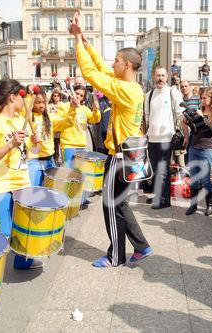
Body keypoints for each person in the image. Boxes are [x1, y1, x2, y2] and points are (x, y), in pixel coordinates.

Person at [70, 12, 152, 267]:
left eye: (117, 60)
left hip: (121, 157)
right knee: (120, 204)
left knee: (110, 206)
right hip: (131, 156)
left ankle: (115, 256)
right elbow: (103, 69)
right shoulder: (131, 86)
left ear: (127, 65)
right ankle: (142, 246)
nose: (113, 63)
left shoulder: (124, 89)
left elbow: (91, 73)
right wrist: (84, 39)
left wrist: (75, 40)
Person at [0, 79, 50, 270]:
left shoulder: (23, 121)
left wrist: (36, 143)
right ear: (13, 97)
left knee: (24, 228)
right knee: (4, 232)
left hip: (22, 180)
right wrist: (10, 144)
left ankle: (22, 261)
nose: (25, 101)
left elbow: (32, 154)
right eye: (22, 96)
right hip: (0, 182)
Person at [144, 67, 183, 209]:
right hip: (152, 138)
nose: (160, 78)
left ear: (167, 77)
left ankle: (165, 200)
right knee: (154, 169)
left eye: (162, 75)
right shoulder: (149, 95)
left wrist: (187, 133)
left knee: (163, 170)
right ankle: (158, 195)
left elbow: (180, 113)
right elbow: (147, 118)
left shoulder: (173, 92)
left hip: (166, 138)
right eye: (157, 75)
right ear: (154, 77)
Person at [184, 87, 212, 216]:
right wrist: (188, 122)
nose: (202, 100)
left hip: (207, 149)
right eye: (201, 98)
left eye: (205, 98)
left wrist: (203, 118)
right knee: (194, 179)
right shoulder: (200, 109)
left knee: (206, 179)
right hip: (194, 147)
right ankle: (193, 205)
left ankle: (210, 205)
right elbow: (196, 130)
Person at [27, 87, 74, 186]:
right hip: (34, 160)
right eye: (38, 102)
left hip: (49, 159)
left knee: (49, 190)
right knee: (35, 191)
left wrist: (72, 108)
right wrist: (31, 140)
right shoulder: (27, 118)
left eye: (44, 102)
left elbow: (66, 122)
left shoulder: (50, 117)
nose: (41, 105)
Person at [56, 84, 100, 167]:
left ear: (83, 98)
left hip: (82, 145)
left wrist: (96, 110)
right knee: (69, 172)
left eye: (81, 95)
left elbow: (95, 119)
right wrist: (72, 108)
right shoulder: (63, 106)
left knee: (80, 172)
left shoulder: (85, 109)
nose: (78, 96)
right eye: (76, 93)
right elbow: (63, 123)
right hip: (68, 145)